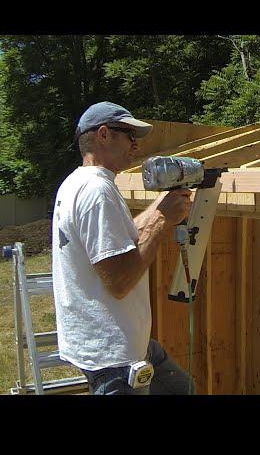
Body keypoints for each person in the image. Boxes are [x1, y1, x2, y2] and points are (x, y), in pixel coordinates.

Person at [52, 101, 194, 395]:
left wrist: (156, 210)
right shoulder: (97, 190)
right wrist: (162, 219)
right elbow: (119, 280)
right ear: (104, 134)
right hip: (114, 358)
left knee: (182, 388)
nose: (136, 146)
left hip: (126, 345)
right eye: (130, 136)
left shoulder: (77, 182)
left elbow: (118, 243)